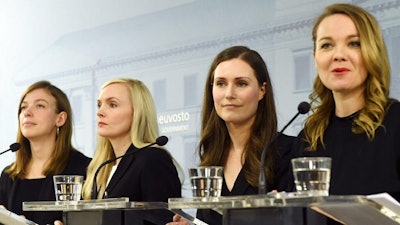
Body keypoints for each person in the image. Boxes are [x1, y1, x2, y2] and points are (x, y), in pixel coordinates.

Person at [168, 46, 294, 225]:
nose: (229, 94)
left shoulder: (288, 151)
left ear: (262, 90)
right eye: (221, 83)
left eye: (241, 83)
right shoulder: (212, 157)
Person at [291, 3, 400, 202]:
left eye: (354, 43)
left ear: (372, 53)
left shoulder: (396, 123)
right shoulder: (307, 139)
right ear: (315, 58)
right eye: (326, 45)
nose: (338, 55)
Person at [81, 78, 182, 224]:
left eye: (112, 104)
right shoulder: (100, 167)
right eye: (99, 105)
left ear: (137, 113)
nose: (100, 112)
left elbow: (165, 220)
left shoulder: (153, 159)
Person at [0, 80, 91, 225]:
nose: (27, 113)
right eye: (23, 107)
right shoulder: (8, 176)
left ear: (60, 119)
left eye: (40, 105)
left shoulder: (85, 169)